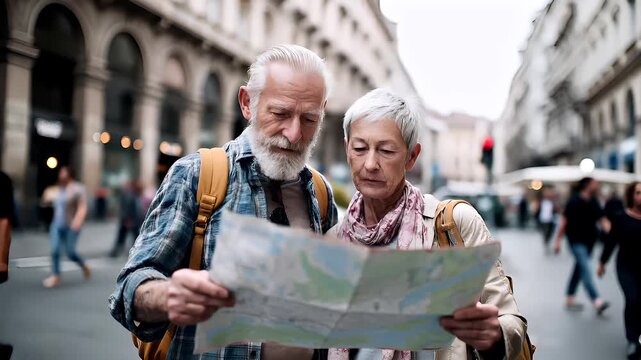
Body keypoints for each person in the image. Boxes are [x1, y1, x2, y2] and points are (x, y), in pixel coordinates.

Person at [109, 44, 338, 359]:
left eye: (310, 119)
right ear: (247, 103)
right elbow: (129, 286)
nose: (295, 133)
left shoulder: (321, 193)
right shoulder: (196, 174)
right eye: (280, 113)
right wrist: (167, 295)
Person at [329, 88, 527, 359]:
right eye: (360, 148)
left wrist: (493, 336)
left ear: (412, 156)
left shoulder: (454, 225)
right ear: (346, 149)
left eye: (386, 151)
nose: (371, 163)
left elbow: (513, 325)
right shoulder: (333, 240)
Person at [553, 177, 610, 314]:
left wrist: (616, 235)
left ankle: (570, 296)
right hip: (576, 242)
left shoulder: (593, 201)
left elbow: (603, 220)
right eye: (594, 183)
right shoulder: (574, 201)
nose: (597, 185)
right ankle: (597, 300)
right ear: (587, 185)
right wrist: (558, 241)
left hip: (590, 242)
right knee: (585, 269)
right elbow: (564, 221)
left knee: (579, 268)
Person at [598, 181, 641, 360]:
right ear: (631, 195)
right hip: (626, 267)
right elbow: (611, 241)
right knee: (632, 299)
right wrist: (602, 262)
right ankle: (632, 340)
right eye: (638, 192)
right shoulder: (621, 217)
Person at [42, 166, 91, 288]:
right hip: (56, 224)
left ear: (70, 174)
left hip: (71, 225)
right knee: (55, 250)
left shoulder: (77, 188)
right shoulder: (56, 189)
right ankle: (56, 276)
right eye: (60, 173)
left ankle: (83, 265)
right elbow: (46, 201)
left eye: (63, 173)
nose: (61, 175)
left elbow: (82, 206)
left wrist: (77, 221)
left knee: (70, 252)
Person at [109, 181, 144, 257]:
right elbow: (130, 209)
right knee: (131, 236)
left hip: (130, 220)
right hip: (130, 220)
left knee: (128, 236)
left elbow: (131, 209)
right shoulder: (131, 195)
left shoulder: (131, 195)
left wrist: (129, 219)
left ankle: (116, 252)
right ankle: (116, 252)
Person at [533, 186, 559, 253]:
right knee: (545, 232)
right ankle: (545, 242)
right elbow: (536, 209)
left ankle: (546, 241)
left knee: (550, 232)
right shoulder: (540, 200)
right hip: (543, 219)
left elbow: (556, 209)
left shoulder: (552, 201)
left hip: (551, 219)